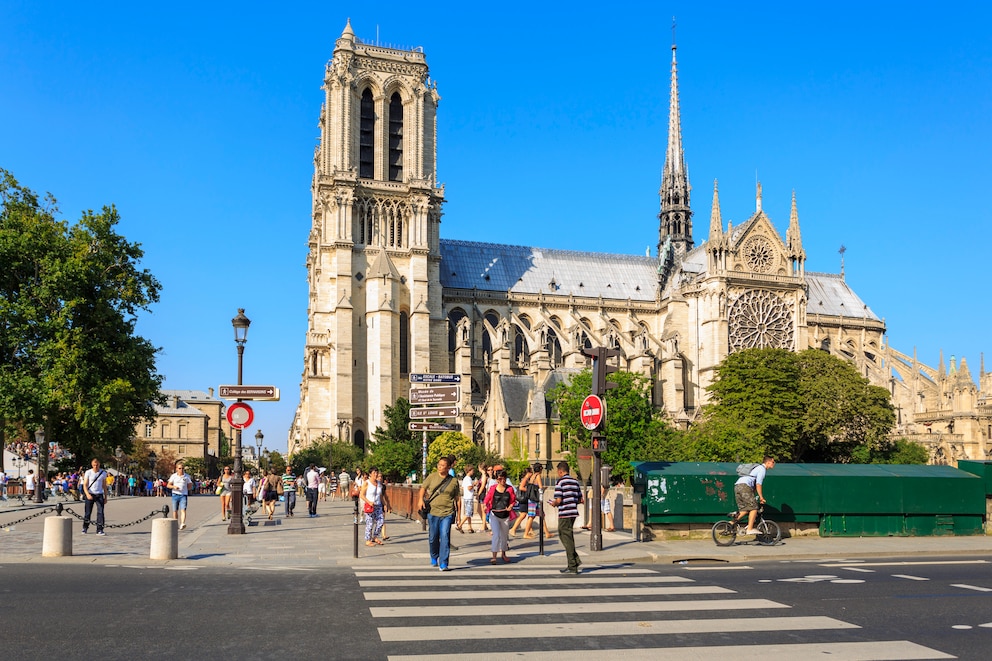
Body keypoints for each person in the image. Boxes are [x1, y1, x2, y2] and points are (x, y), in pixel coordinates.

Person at [416, 456, 461, 571]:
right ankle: (434, 555)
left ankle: (444, 563)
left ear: (448, 468)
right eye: (439, 465)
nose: (439, 467)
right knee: (433, 537)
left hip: (447, 512)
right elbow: (423, 488)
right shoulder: (432, 477)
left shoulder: (453, 481)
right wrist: (420, 499)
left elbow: (457, 498)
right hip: (433, 511)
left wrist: (459, 515)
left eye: (442, 466)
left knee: (445, 536)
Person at [550, 461, 583, 574]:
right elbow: (580, 499)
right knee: (568, 536)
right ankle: (574, 561)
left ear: (560, 471)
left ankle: (573, 564)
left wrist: (554, 503)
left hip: (564, 513)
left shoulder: (560, 482)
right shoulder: (575, 482)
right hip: (573, 512)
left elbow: (558, 500)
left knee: (565, 537)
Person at [734, 456, 776, 535]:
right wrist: (761, 497)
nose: (774, 464)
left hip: (737, 486)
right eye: (773, 462)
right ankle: (749, 529)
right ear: (768, 462)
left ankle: (730, 524)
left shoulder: (757, 468)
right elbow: (758, 484)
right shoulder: (762, 469)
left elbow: (752, 487)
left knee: (744, 510)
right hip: (744, 486)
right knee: (754, 508)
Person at [483, 469, 516, 564]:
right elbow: (487, 499)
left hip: (505, 515)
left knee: (504, 536)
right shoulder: (493, 488)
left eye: (504, 479)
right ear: (497, 479)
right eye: (500, 479)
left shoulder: (510, 489)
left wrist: (511, 506)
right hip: (494, 514)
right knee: (496, 535)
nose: (502, 481)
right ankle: (494, 556)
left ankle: (504, 554)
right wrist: (485, 505)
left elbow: (513, 500)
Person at [361, 467, 389, 546]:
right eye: (374, 473)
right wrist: (369, 502)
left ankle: (375, 536)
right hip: (370, 506)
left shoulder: (379, 483)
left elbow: (380, 495)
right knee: (370, 523)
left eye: (376, 473)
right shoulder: (367, 483)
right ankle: (368, 539)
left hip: (378, 505)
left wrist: (384, 504)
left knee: (381, 521)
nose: (375, 474)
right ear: (370, 474)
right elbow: (361, 495)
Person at [81, 458, 109, 536]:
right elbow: (85, 484)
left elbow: (104, 485)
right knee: (87, 512)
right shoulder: (88, 472)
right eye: (94, 465)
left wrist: (105, 497)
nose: (95, 466)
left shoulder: (103, 473)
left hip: (99, 494)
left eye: (97, 465)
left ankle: (100, 529)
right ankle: (85, 527)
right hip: (90, 493)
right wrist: (87, 494)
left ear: (99, 464)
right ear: (92, 465)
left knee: (100, 512)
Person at [167, 461, 194, 530]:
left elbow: (190, 485)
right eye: (179, 468)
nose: (181, 470)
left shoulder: (187, 476)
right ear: (176, 469)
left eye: (182, 468)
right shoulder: (173, 476)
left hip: (183, 495)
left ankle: (182, 523)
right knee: (175, 510)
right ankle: (175, 524)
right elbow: (168, 485)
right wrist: (174, 487)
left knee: (183, 509)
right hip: (175, 494)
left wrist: (186, 489)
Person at [456, 464, 477, 533]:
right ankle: (460, 525)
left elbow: (463, 487)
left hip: (466, 497)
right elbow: (469, 487)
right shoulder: (468, 479)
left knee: (469, 513)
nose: (473, 472)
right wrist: (474, 484)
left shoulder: (465, 479)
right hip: (469, 497)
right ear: (469, 471)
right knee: (468, 513)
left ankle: (469, 527)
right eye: (472, 470)